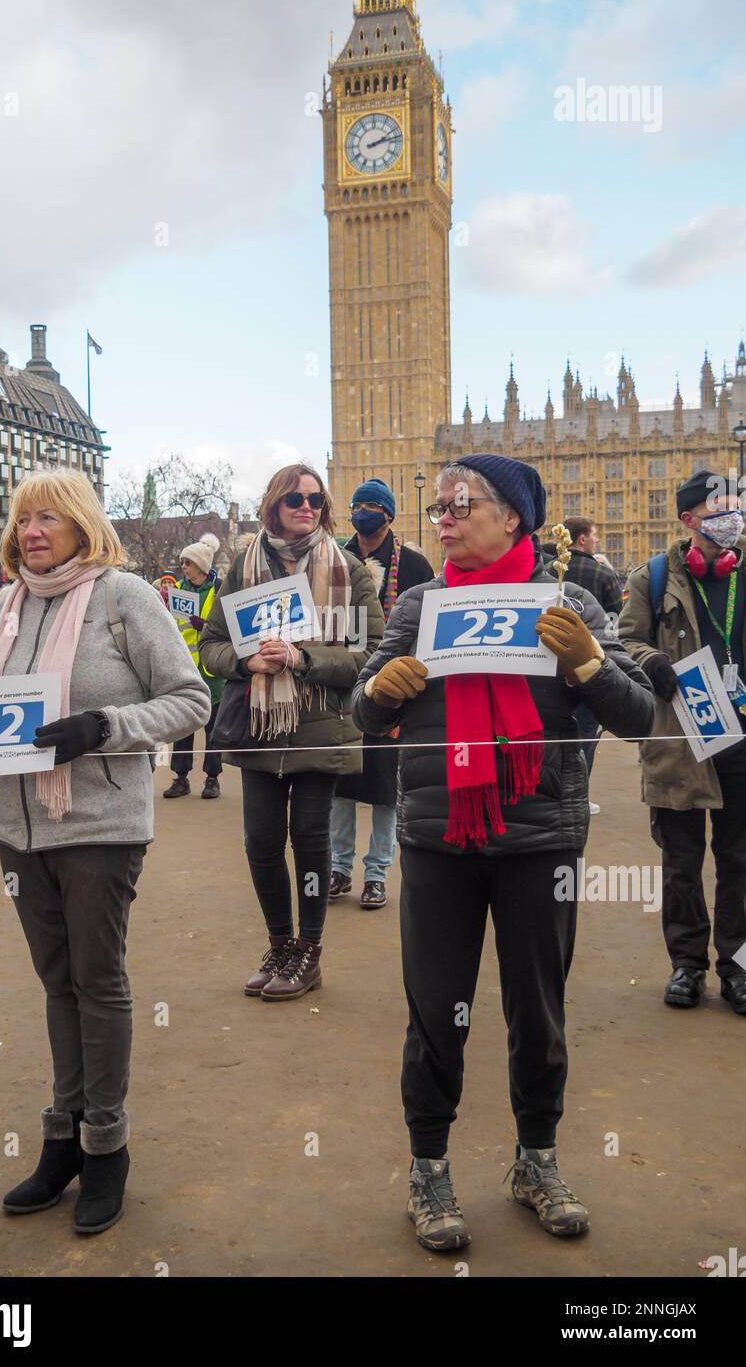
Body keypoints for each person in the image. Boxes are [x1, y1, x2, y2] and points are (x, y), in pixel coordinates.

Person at [352, 454, 654, 1252]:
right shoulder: (419, 604)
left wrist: (587, 663)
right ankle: (428, 1170)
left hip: (539, 839)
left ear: (514, 518)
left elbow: (638, 713)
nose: (443, 517)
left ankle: (537, 1162)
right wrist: (381, 691)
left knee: (538, 1012)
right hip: (438, 836)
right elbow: (359, 707)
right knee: (435, 1014)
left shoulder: (573, 600)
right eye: (441, 506)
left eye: (462, 504)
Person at [0, 470, 211, 1234]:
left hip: (98, 826)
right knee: (57, 983)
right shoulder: (12, 604)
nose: (32, 531)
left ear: (83, 523)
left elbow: (191, 699)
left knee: (99, 980)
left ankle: (107, 1146)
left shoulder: (123, 597)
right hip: (15, 828)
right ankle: (65, 1138)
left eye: (47, 516)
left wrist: (103, 727)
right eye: (23, 520)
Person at [199, 464, 384, 1000]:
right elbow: (211, 644)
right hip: (259, 726)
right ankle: (279, 943)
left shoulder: (348, 570)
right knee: (260, 842)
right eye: (295, 499)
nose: (307, 507)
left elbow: (370, 655)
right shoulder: (242, 570)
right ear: (273, 506)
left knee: (309, 839)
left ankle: (309, 952)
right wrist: (244, 662)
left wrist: (304, 658)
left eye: (316, 500)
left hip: (320, 728)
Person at [619, 471, 746, 1016]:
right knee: (681, 861)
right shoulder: (652, 577)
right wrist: (652, 663)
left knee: (740, 860)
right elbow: (624, 640)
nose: (732, 517)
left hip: (743, 741)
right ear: (689, 519)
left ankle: (738, 968)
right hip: (681, 739)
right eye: (720, 508)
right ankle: (687, 965)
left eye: (736, 507)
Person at [329, 478, 433, 909]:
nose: (361, 512)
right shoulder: (334, 558)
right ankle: (338, 866)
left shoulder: (413, 565)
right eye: (356, 505)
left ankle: (376, 873)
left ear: (388, 515)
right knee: (341, 783)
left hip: (391, 688)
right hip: (342, 683)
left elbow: (426, 630)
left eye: (370, 506)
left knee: (386, 788)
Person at [546, 518, 624, 815]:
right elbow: (616, 623)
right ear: (580, 540)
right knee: (586, 737)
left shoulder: (543, 571)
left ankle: (551, 793)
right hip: (589, 667)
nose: (597, 541)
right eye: (594, 536)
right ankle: (577, 796)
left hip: (548, 672)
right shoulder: (602, 574)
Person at [163, 533, 225, 801]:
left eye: (188, 562)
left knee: (213, 730)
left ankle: (212, 779)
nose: (184, 567)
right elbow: (169, 624)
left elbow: (229, 624)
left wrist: (207, 626)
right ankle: (181, 778)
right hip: (185, 670)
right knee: (184, 726)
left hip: (213, 672)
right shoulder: (179, 590)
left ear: (201, 564)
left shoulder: (221, 588)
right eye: (183, 563)